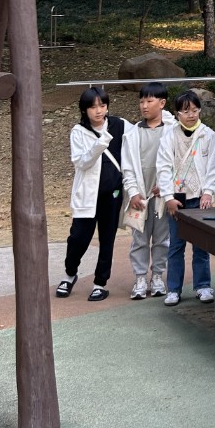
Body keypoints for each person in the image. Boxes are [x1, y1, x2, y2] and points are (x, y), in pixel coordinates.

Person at [56, 86, 128, 302]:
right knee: (78, 238)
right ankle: (70, 274)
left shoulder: (119, 124)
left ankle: (100, 283)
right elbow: (81, 162)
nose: (98, 111)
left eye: (102, 105)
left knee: (107, 239)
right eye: (93, 107)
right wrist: (100, 144)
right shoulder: (78, 132)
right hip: (87, 195)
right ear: (84, 109)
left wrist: (167, 120)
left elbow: (142, 133)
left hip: (112, 193)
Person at [156, 89, 215, 306]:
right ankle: (173, 289)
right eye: (186, 111)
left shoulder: (208, 135)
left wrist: (208, 192)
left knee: (201, 245)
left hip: (199, 197)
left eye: (194, 110)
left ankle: (203, 285)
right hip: (177, 198)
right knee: (176, 245)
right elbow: (163, 167)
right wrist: (168, 197)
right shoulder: (169, 136)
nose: (191, 115)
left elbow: (213, 166)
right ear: (177, 114)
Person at [121, 81, 174, 299]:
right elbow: (128, 167)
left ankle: (158, 275)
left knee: (162, 237)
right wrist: (133, 192)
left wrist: (167, 186)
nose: (144, 106)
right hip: (141, 196)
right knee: (140, 238)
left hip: (162, 195)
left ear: (162, 103)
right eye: (141, 101)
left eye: (149, 101)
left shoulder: (172, 131)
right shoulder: (132, 134)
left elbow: (176, 163)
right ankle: (140, 277)